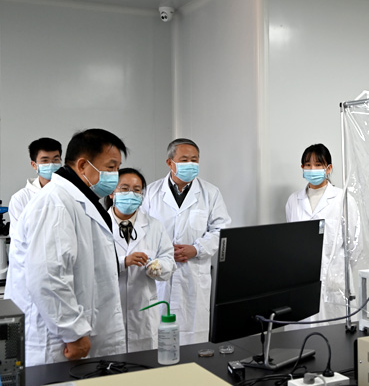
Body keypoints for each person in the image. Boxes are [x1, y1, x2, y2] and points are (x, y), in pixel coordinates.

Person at [6, 129, 127, 366]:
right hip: (58, 342)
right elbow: (48, 276)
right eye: (110, 167)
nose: (115, 175)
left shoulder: (78, 200)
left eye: (117, 168)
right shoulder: (55, 203)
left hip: (78, 335)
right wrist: (73, 332)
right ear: (82, 165)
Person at [141, 138, 231, 345]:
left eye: (194, 159)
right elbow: (141, 229)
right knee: (157, 336)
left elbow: (222, 229)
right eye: (184, 160)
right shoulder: (151, 193)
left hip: (194, 274)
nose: (190, 164)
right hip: (159, 273)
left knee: (193, 338)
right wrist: (162, 252)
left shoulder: (210, 193)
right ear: (170, 163)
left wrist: (197, 249)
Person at [285, 144, 361, 328]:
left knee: (335, 336)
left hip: (334, 283)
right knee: (300, 337)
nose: (312, 169)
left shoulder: (343, 199)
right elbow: (291, 241)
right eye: (308, 165)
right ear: (302, 167)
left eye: (318, 165)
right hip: (301, 280)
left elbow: (355, 245)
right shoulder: (293, 201)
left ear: (328, 168)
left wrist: (335, 270)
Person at [105, 168, 177, 353]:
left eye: (137, 190)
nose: (131, 194)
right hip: (109, 310)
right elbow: (90, 265)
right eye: (124, 188)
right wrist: (123, 262)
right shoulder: (99, 224)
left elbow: (168, 258)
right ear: (112, 192)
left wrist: (158, 267)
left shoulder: (154, 225)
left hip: (144, 309)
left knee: (144, 362)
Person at [8, 137, 63, 228]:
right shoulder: (21, 198)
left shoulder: (70, 192)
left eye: (55, 160)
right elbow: (17, 234)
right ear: (34, 165)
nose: (51, 164)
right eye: (45, 160)